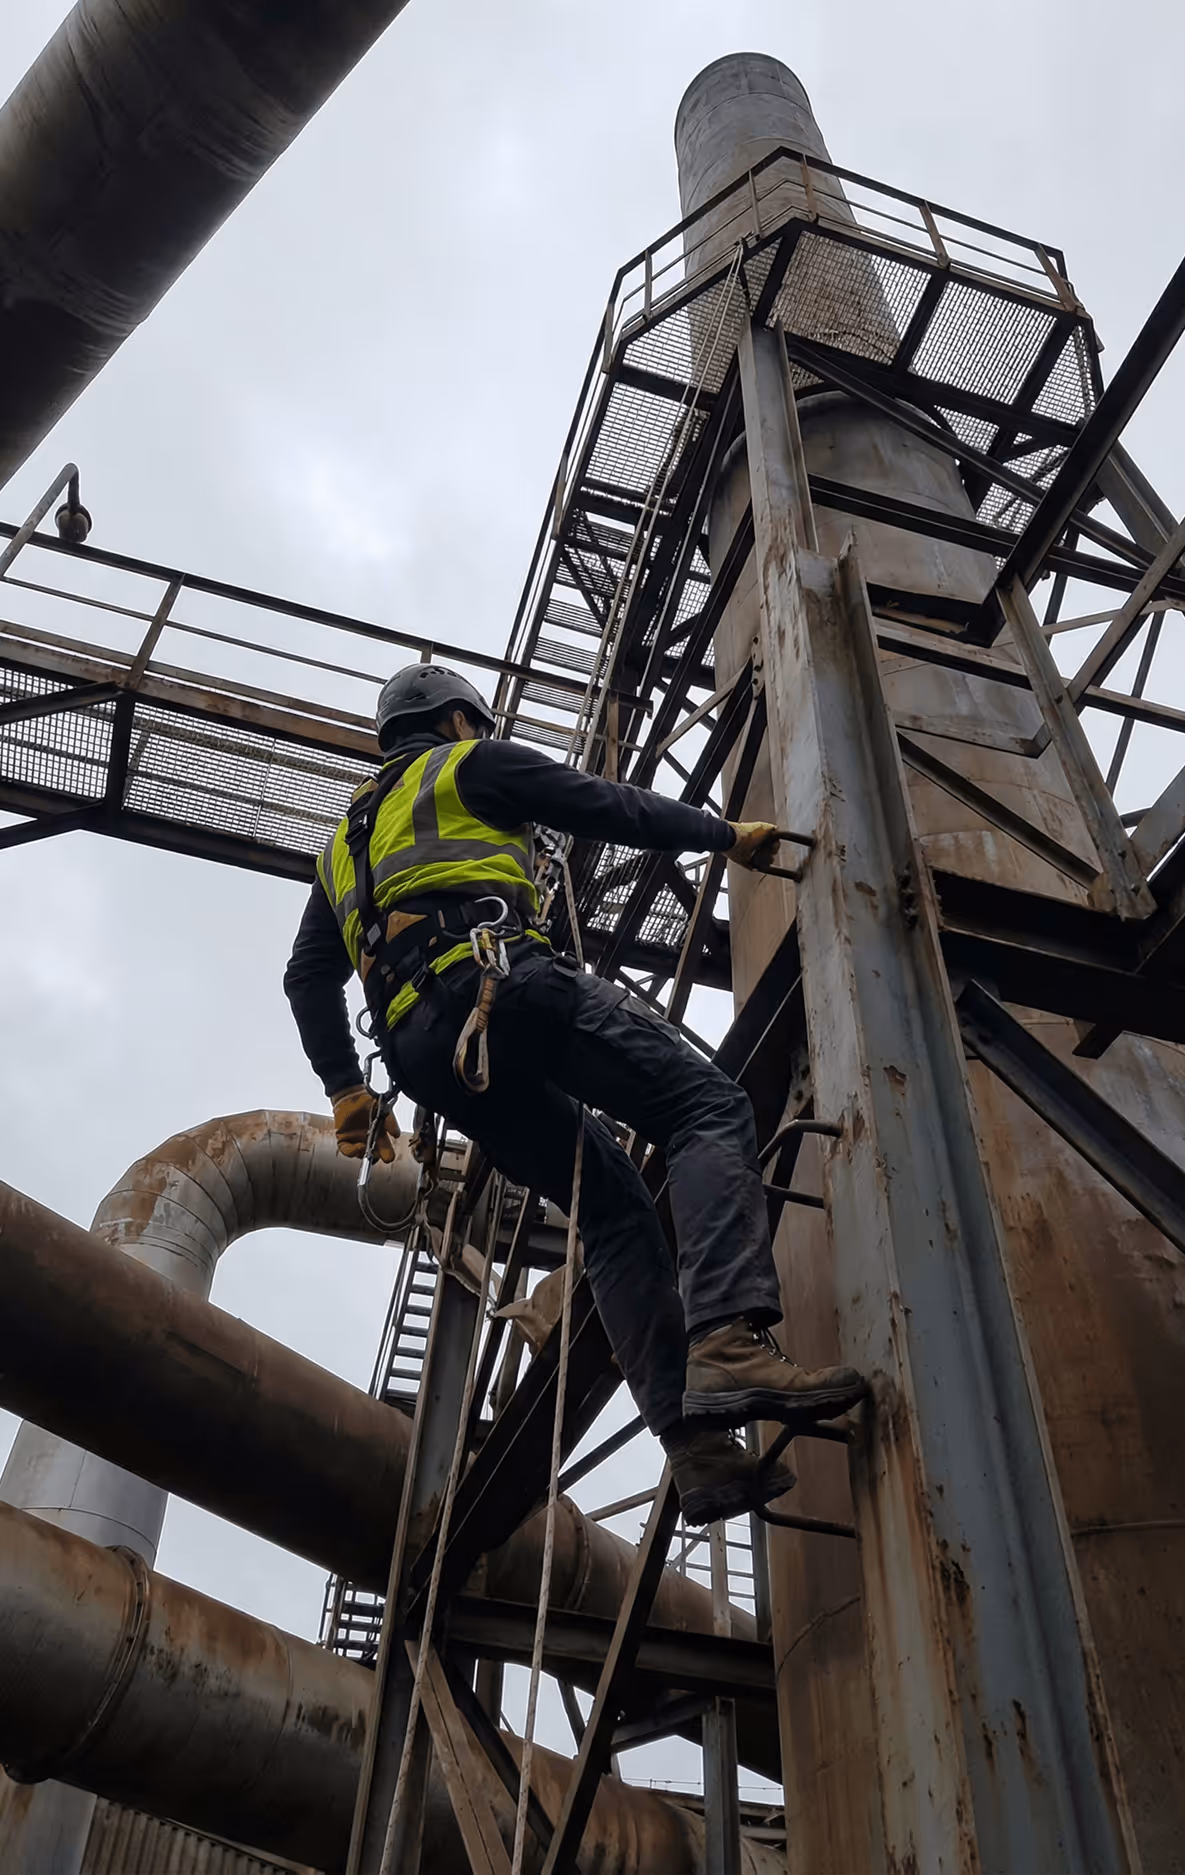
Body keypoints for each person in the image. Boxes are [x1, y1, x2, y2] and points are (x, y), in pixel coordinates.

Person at [284, 664, 865, 1523]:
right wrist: (721, 834)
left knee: (614, 1212)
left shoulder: (342, 844)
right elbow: (605, 804)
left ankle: (694, 1446)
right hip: (502, 984)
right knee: (705, 1108)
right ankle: (727, 1340)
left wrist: (346, 1091)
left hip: (426, 1057)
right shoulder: (465, 766)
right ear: (455, 720)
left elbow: (306, 976)